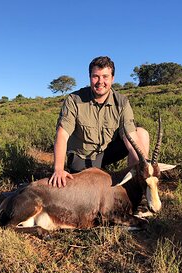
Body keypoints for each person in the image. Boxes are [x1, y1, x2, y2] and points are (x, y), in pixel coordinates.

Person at [48, 56, 150, 188]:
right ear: (90, 77)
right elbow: (62, 134)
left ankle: (135, 185)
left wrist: (145, 166)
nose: (100, 81)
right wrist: (58, 169)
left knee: (141, 133)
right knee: (86, 188)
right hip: (82, 155)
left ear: (112, 78)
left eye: (105, 77)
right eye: (95, 76)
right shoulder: (74, 100)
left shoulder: (122, 102)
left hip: (106, 152)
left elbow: (131, 137)